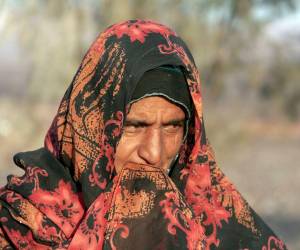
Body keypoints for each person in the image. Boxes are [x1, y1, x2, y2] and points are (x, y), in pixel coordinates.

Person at [0, 20, 286, 249]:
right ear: (91, 124)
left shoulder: (218, 224)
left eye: (173, 126)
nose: (154, 153)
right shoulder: (17, 226)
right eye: (134, 126)